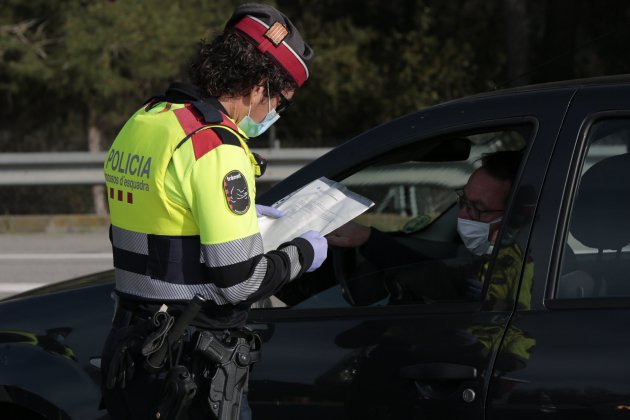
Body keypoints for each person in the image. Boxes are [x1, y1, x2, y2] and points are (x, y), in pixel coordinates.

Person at [101, 4, 326, 419]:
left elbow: (162, 218)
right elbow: (238, 282)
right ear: (260, 86)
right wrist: (305, 253)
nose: (275, 113)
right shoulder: (216, 146)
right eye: (282, 102)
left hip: (132, 348)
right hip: (190, 365)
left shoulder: (145, 120)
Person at [327, 150, 526, 303]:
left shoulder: (522, 269)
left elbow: (455, 296)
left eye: (477, 208)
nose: (463, 214)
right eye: (464, 201)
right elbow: (447, 281)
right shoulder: (492, 259)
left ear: (514, 217)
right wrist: (368, 238)